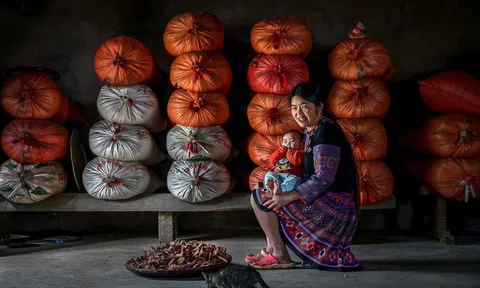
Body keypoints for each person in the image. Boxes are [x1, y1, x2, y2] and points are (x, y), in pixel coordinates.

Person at [245, 82, 361, 271]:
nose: (298, 113)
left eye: (305, 107)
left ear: (320, 107)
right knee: (264, 192)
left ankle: (280, 255)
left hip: (336, 204)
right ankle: (272, 248)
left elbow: (324, 178)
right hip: (321, 196)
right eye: (294, 108)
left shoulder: (326, 132)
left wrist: (287, 196)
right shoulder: (310, 131)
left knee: (262, 197)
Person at [264, 130, 304, 194]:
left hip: (292, 176)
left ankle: (280, 190)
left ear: (300, 144)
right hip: (279, 176)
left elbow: (295, 162)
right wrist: (282, 150)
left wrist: (289, 151)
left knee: (294, 180)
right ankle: (268, 190)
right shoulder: (281, 151)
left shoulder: (300, 152)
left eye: (292, 141)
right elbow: (272, 160)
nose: (288, 144)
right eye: (285, 141)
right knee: (269, 174)